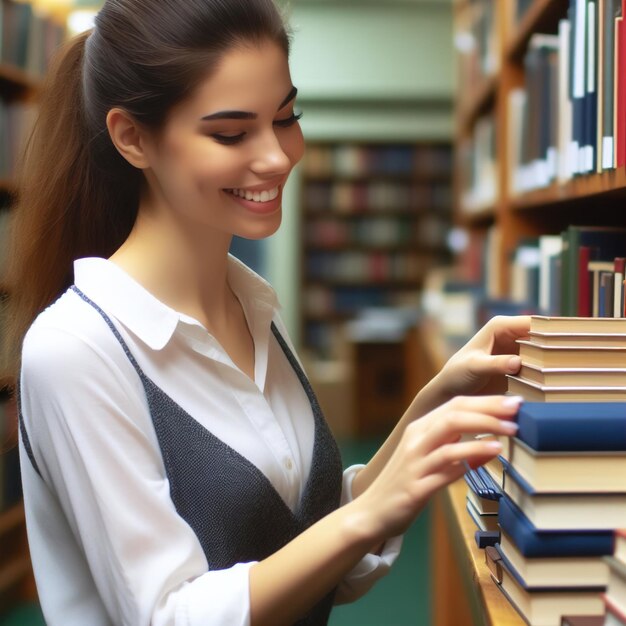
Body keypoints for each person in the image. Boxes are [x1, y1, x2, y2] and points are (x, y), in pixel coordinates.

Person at [1, 1, 530, 624]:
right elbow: (167, 615)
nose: (278, 157)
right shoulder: (77, 348)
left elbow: (313, 540)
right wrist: (367, 514)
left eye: (286, 117)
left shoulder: (254, 307)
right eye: (231, 133)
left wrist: (439, 398)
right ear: (132, 137)